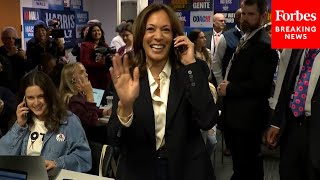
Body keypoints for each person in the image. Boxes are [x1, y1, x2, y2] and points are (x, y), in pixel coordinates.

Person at [107, 3, 219, 180]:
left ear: (175, 36)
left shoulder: (192, 70)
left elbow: (208, 119)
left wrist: (190, 65)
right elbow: (115, 140)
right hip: (139, 171)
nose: (158, 37)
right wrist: (125, 107)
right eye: (150, 29)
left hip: (186, 170)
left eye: (165, 30)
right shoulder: (128, 76)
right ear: (141, 36)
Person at [217, 0, 278, 179]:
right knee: (242, 167)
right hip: (236, 118)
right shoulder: (247, 38)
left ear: (262, 16)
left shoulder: (264, 45)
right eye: (243, 13)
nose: (245, 18)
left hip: (248, 121)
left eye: (251, 15)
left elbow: (260, 86)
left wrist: (230, 88)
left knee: (248, 168)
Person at [0, 71, 92, 172]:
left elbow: (84, 158)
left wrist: (57, 163)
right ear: (24, 99)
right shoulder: (22, 122)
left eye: (40, 96)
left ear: (50, 96)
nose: (36, 103)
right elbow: (3, 156)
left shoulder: (69, 121)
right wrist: (19, 126)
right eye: (30, 98)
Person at [266, 49, 320, 180]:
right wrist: (276, 123)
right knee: (288, 172)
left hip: (316, 129)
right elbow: (287, 85)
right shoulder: (299, 47)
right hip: (293, 125)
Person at [212, 8, 242, 157]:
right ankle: (230, 145)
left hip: (246, 89)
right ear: (237, 19)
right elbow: (216, 63)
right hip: (228, 88)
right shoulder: (226, 37)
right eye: (243, 15)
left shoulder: (255, 37)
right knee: (229, 118)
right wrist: (220, 83)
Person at [59, 62, 111, 143]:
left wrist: (104, 112)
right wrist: (90, 95)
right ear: (73, 79)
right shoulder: (72, 101)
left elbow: (87, 112)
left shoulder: (78, 96)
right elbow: (93, 123)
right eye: (82, 72)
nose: (86, 75)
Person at [188, 29, 217, 162]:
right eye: (201, 38)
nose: (204, 40)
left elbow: (210, 73)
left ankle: (204, 161)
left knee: (212, 141)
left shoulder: (208, 53)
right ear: (194, 40)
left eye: (205, 37)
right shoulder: (188, 56)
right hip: (194, 92)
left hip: (208, 88)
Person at [80, 24, 112, 91]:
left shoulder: (105, 45)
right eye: (94, 31)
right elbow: (86, 63)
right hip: (93, 78)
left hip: (105, 78)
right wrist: (101, 64)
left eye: (98, 30)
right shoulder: (85, 45)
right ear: (90, 33)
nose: (97, 32)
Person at [0, 27, 27, 93]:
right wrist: (9, 55)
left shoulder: (20, 51)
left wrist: (24, 58)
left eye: (13, 38)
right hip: (5, 89)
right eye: (8, 38)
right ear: (3, 40)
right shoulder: (0, 52)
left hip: (19, 88)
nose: (11, 40)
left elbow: (26, 69)